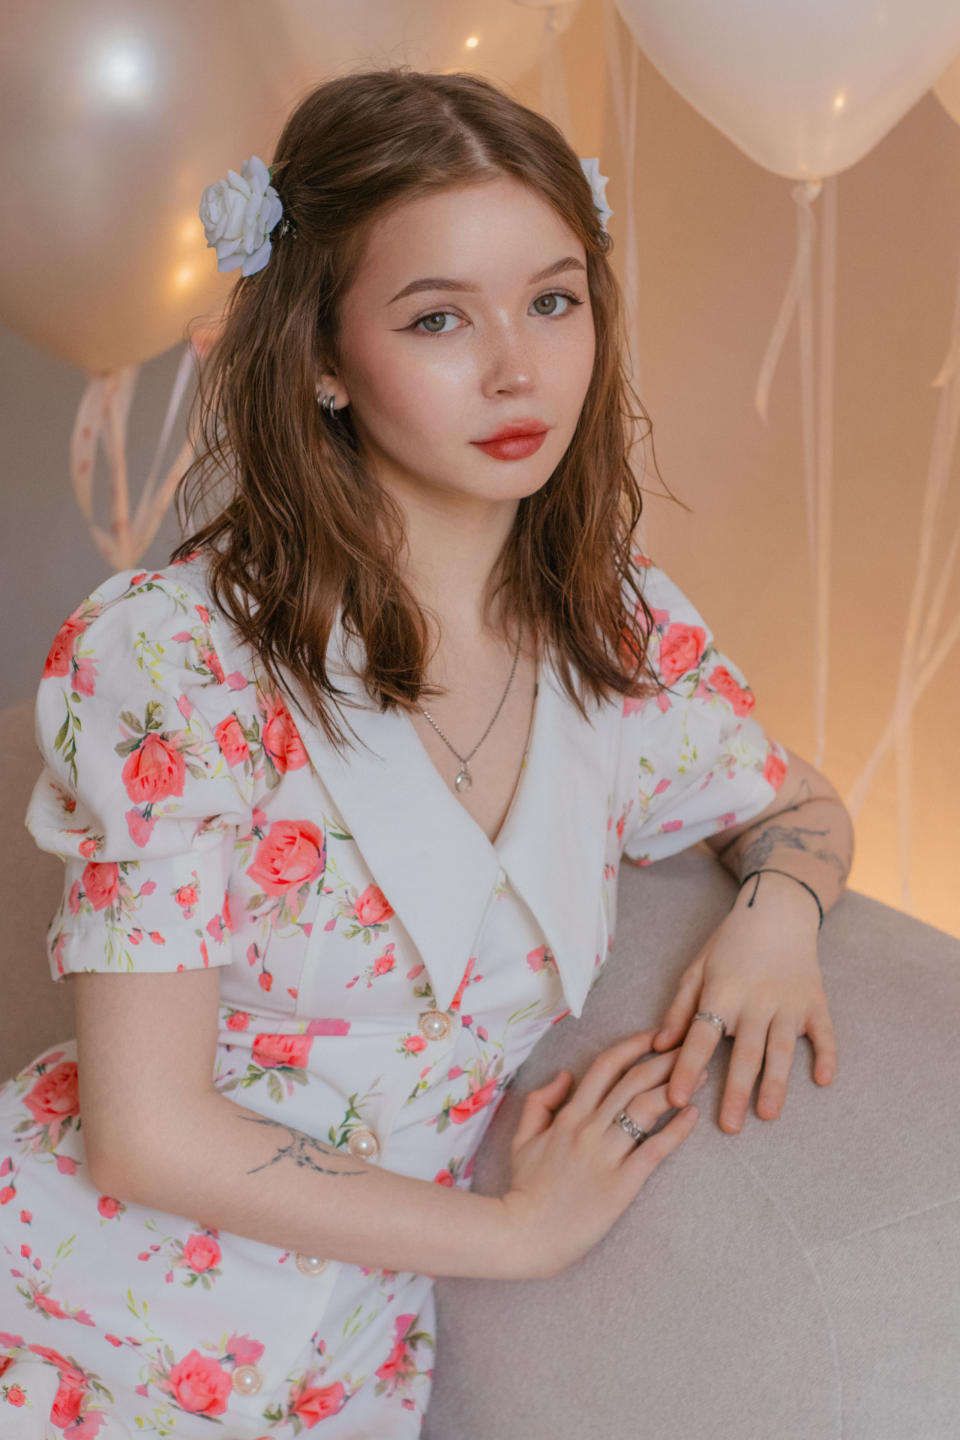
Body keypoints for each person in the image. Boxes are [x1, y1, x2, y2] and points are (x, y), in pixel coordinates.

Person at [0, 67, 850, 1438]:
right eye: (438, 317)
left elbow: (796, 804)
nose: (517, 368)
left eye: (553, 301)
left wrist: (780, 913)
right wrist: (519, 1232)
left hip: (343, 1375)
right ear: (323, 358)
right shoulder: (176, 655)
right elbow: (141, 1133)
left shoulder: (621, 642)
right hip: (60, 1324)